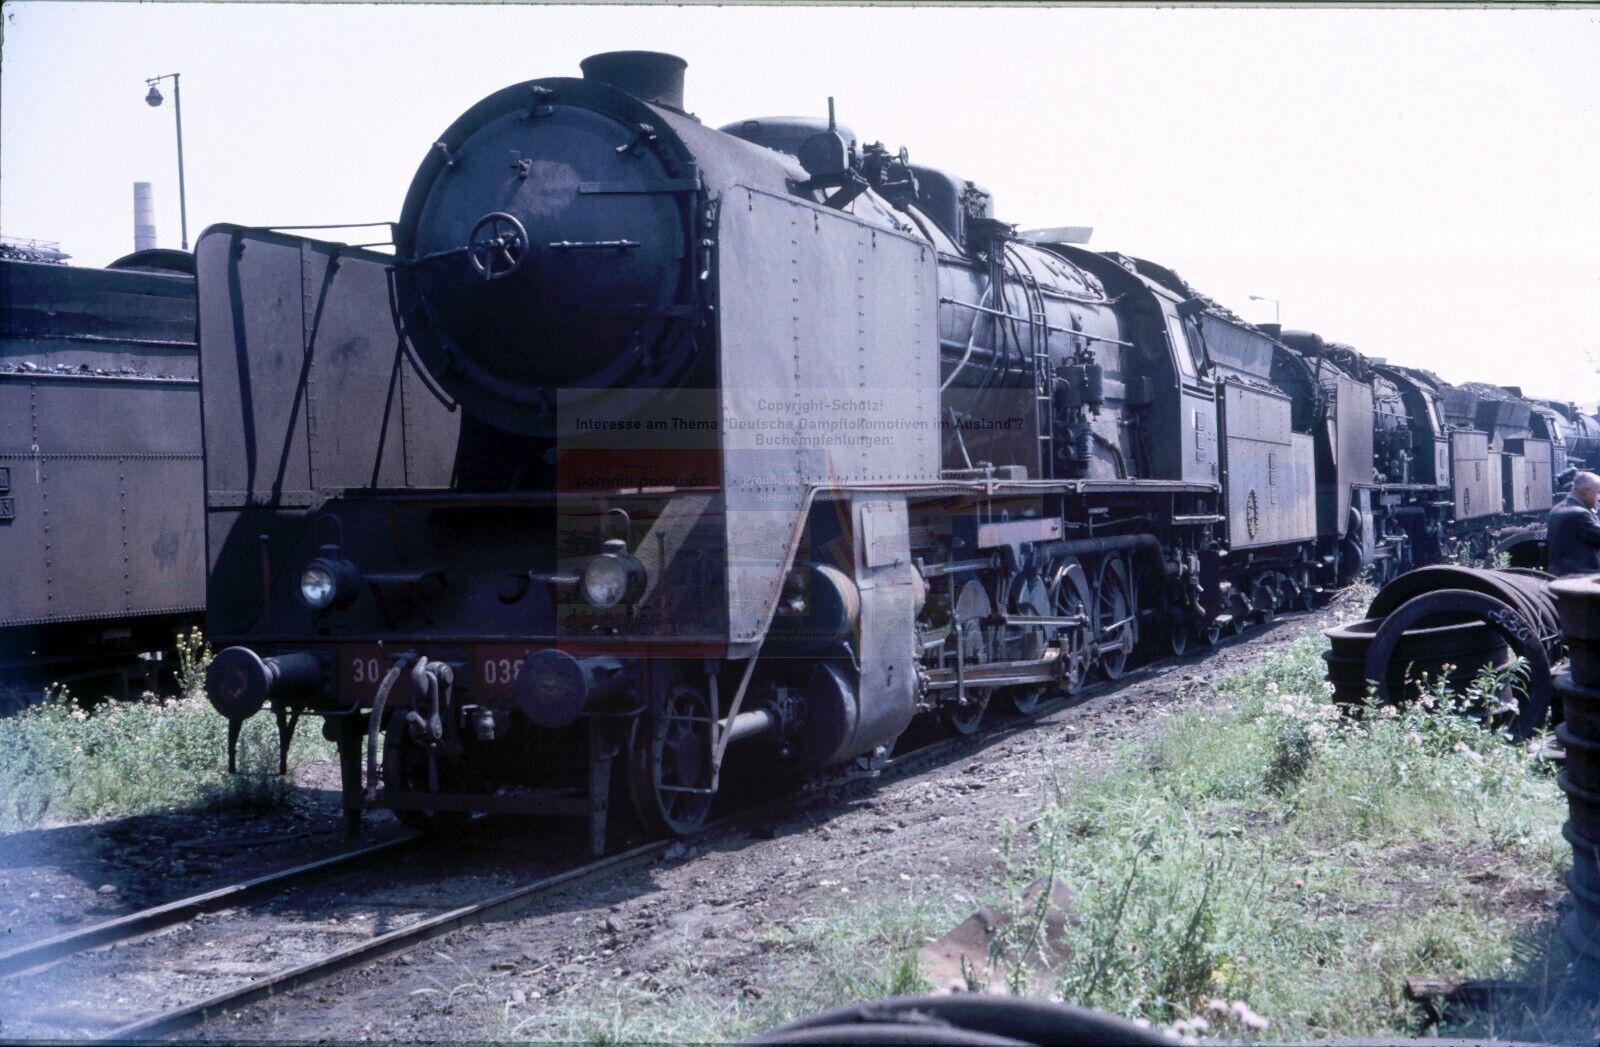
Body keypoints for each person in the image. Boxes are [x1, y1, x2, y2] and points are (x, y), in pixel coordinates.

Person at [1547, 470, 1600, 576]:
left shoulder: (1556, 509)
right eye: (1598, 492)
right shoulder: (1579, 513)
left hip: (1561, 573)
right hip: (1580, 575)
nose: (1599, 498)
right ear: (1586, 491)